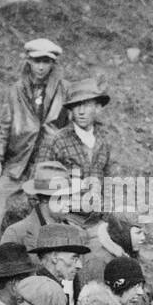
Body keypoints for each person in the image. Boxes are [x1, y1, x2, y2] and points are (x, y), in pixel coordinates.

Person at [0, 38, 67, 245]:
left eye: (45, 62)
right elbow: (5, 125)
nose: (40, 67)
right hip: (18, 162)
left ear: (52, 64)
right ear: (28, 61)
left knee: (48, 206)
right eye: (36, 61)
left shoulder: (63, 90)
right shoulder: (17, 89)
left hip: (47, 162)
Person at [37, 77, 114, 248]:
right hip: (67, 222)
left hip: (96, 223)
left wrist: (106, 220)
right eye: (76, 105)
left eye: (86, 105)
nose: (81, 111)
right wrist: (55, 223)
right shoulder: (56, 141)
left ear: (98, 107)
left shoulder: (104, 140)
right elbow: (38, 190)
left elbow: (109, 182)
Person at [0, 161, 73, 250]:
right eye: (61, 198)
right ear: (45, 199)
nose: (69, 203)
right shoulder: (16, 234)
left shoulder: (75, 231)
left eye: (69, 197)